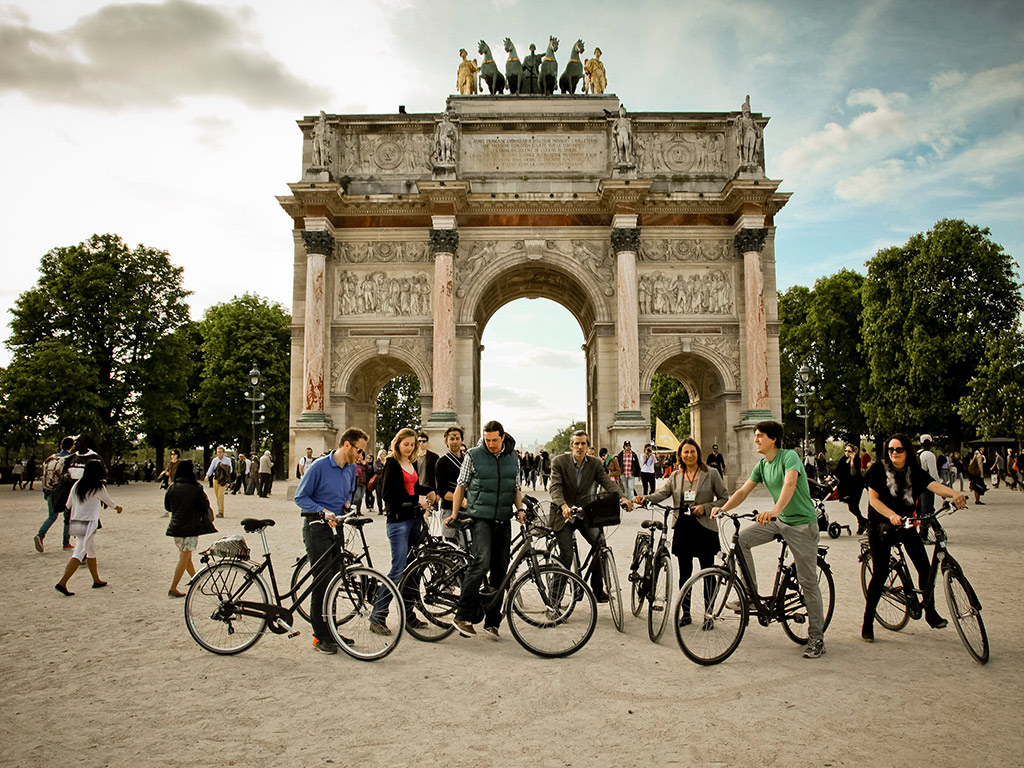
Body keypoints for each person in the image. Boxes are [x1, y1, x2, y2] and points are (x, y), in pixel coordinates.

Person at [712, 420, 827, 659]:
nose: (755, 439)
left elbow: (790, 483)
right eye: (755, 435)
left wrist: (774, 510)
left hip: (802, 524)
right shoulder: (763, 465)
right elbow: (743, 491)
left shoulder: (790, 457)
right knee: (742, 540)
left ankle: (817, 637)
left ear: (773, 439)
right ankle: (752, 597)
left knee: (808, 583)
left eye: (760, 436)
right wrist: (723, 508)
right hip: (780, 520)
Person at [861, 433, 967, 642]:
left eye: (898, 450)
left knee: (925, 568)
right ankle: (867, 621)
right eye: (890, 450)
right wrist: (890, 514)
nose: (893, 454)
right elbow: (873, 500)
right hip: (880, 526)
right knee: (881, 572)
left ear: (907, 451)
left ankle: (930, 611)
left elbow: (934, 486)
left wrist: (954, 493)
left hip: (906, 524)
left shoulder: (914, 472)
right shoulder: (878, 470)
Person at [634, 438, 729, 623]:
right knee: (684, 573)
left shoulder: (712, 473)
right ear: (680, 455)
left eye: (692, 451)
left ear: (698, 453)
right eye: (685, 452)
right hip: (683, 527)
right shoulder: (676, 476)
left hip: (705, 527)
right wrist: (645, 498)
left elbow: (724, 498)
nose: (689, 455)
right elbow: (663, 493)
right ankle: (685, 614)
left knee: (707, 572)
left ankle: (708, 614)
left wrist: (706, 507)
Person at [293, 427, 368, 655]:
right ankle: (320, 636)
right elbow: (300, 497)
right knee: (323, 581)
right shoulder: (319, 466)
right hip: (317, 527)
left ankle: (331, 628)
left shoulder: (351, 468)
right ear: (347, 444)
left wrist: (346, 504)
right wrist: (321, 511)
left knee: (336, 580)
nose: (361, 456)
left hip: (337, 527)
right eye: (359, 450)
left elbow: (348, 492)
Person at [447, 420, 522, 639]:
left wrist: (521, 509)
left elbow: (516, 486)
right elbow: (461, 484)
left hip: (503, 518)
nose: (490, 444)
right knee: (481, 561)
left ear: (503, 437)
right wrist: (454, 514)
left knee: (501, 569)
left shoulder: (513, 457)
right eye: (487, 440)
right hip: (480, 517)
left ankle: (492, 620)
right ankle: (462, 615)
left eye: (494, 440)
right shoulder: (473, 455)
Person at [370, 428, 437, 635]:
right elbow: (389, 494)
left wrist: (429, 492)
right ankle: (377, 615)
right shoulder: (391, 462)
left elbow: (413, 488)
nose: (409, 447)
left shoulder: (412, 462)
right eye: (406, 444)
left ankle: (408, 615)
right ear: (397, 443)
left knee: (413, 570)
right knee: (398, 569)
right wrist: (414, 501)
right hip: (398, 522)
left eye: (412, 444)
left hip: (414, 520)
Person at [550, 430, 630, 602]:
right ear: (571, 446)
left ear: (587, 446)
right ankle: (554, 601)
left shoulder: (594, 463)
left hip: (585, 513)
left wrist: (622, 497)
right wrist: (563, 506)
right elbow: (555, 487)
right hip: (563, 515)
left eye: (583, 444)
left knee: (600, 546)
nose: (580, 447)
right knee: (566, 556)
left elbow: (607, 483)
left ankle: (597, 589)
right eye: (576, 443)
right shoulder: (559, 462)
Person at [55, 460, 122, 595]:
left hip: (76, 521)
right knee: (79, 552)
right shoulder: (98, 487)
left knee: (91, 550)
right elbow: (109, 501)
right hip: (89, 522)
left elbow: (68, 504)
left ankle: (96, 580)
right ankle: (62, 582)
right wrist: (118, 508)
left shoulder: (77, 485)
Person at [165, 460, 217, 597]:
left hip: (176, 526)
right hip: (191, 526)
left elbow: (167, 507)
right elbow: (203, 506)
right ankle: (173, 587)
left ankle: (196, 580)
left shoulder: (172, 487)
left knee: (185, 555)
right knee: (185, 556)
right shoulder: (196, 488)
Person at [34, 437, 74, 553]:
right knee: (67, 517)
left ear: (61, 446)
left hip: (49, 489)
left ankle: (40, 535)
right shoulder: (69, 459)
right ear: (71, 447)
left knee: (52, 516)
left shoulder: (50, 459)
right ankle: (66, 542)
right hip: (62, 491)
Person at [434, 426, 467, 544]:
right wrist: (460, 500)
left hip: (466, 509)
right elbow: (441, 491)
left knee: (467, 544)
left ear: (462, 440)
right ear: (446, 442)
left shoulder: (467, 460)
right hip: (449, 507)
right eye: (451, 439)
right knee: (451, 543)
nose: (455, 441)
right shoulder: (441, 462)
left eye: (457, 438)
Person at [836, 443, 868, 534]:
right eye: (845, 451)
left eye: (849, 451)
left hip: (856, 486)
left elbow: (853, 473)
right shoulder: (843, 459)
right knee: (851, 508)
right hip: (847, 487)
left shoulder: (857, 460)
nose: (847, 453)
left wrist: (852, 461)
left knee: (854, 505)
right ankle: (864, 522)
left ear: (853, 452)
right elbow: (838, 471)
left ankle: (862, 524)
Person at [917, 434, 941, 543]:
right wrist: (939, 488)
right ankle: (922, 535)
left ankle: (938, 530)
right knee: (926, 511)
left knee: (927, 509)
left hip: (917, 485)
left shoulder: (917, 454)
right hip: (927, 486)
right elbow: (933, 474)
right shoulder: (929, 455)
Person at [205, 445, 232, 518]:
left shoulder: (227, 460)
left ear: (223, 452)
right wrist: (207, 476)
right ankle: (219, 509)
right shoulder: (215, 460)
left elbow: (231, 470)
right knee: (217, 496)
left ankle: (221, 511)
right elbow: (211, 468)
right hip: (215, 478)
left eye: (220, 452)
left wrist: (223, 467)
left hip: (223, 480)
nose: (219, 454)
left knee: (221, 495)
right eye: (218, 452)